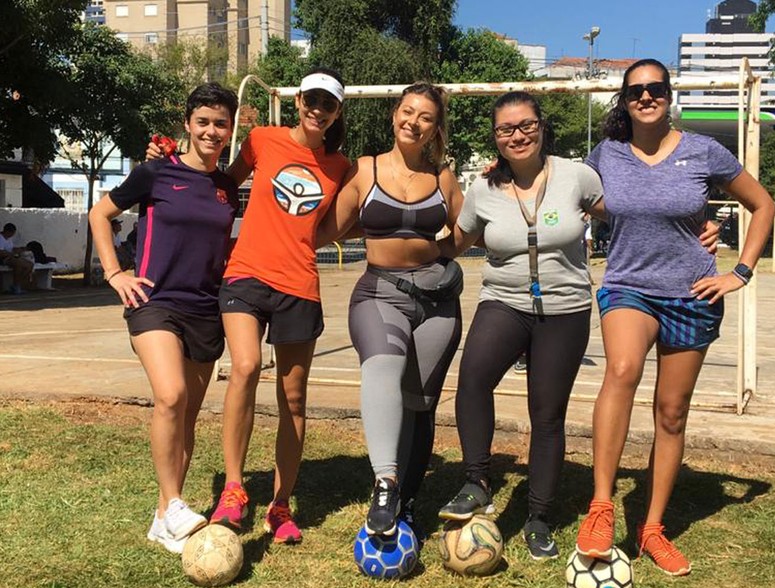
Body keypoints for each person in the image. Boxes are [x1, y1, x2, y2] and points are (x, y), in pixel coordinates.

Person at [573, 59, 775, 577]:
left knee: (671, 413)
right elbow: (572, 192)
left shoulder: (703, 150)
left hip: (692, 294)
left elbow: (763, 204)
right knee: (621, 370)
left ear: (669, 94)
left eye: (655, 88)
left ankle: (653, 529)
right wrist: (501, 172)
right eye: (636, 90)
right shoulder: (606, 154)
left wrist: (740, 270)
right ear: (624, 100)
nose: (646, 97)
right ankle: (601, 507)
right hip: (628, 288)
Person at [148, 69, 352, 543]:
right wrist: (167, 161)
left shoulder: (342, 166)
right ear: (299, 100)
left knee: (294, 399)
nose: (318, 109)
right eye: (312, 100)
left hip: (299, 284)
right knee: (244, 365)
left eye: (328, 104)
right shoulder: (262, 139)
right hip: (245, 275)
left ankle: (280, 507)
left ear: (338, 111)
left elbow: (347, 217)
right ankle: (234, 489)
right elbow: (218, 183)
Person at [435, 91, 606, 559]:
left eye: (526, 125)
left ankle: (538, 517)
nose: (518, 135)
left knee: (545, 414)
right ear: (496, 138)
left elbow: (628, 215)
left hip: (565, 308)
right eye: (506, 130)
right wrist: (409, 226)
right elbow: (455, 241)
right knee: (472, 379)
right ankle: (477, 482)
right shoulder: (483, 190)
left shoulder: (577, 176)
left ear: (541, 126)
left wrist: (694, 228)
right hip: (504, 301)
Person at [88, 82, 240, 553]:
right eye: (203, 122)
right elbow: (99, 214)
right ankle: (175, 502)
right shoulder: (154, 172)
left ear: (230, 129)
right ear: (187, 125)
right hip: (154, 301)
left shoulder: (228, 187)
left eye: (220, 123)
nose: (211, 131)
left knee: (187, 415)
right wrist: (115, 273)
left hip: (204, 308)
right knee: (170, 395)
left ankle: (163, 516)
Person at [326, 83, 463, 538]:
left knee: (419, 405)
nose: (414, 121)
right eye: (408, 111)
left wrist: (441, 253)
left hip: (437, 303)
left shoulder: (443, 176)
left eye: (425, 116)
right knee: (383, 367)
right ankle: (384, 483)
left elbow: (467, 230)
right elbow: (329, 227)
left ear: (434, 127)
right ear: (394, 115)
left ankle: (406, 497)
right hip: (379, 295)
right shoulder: (364, 170)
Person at [0, 223, 33, 294]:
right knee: (20, 264)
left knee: (29, 265)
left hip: (11, 257)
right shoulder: (1, 238)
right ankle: (16, 286)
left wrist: (19, 249)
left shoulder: (8, 239)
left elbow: (10, 248)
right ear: (8, 232)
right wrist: (12, 254)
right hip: (3, 258)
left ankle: (17, 285)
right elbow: (1, 252)